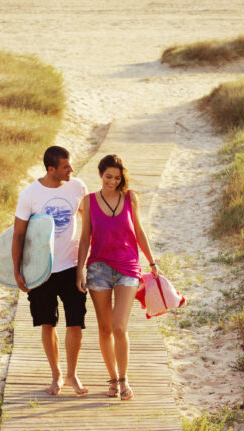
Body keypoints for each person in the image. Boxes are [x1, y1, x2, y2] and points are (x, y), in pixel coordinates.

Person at [76, 154, 158, 400]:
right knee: (104, 328)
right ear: (100, 174)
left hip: (127, 267)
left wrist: (152, 261)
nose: (112, 181)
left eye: (117, 178)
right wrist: (79, 270)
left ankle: (124, 379)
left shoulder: (131, 198)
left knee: (119, 326)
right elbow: (85, 238)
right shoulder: (89, 201)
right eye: (108, 176)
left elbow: (139, 231)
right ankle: (112, 379)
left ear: (122, 178)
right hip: (98, 269)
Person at [13, 145, 89, 396]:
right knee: (48, 323)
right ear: (51, 169)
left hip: (71, 267)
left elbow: (88, 223)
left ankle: (72, 374)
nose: (71, 170)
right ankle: (56, 375)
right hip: (41, 270)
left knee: (75, 322)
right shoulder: (30, 194)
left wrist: (85, 263)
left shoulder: (77, 187)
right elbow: (18, 234)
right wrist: (17, 271)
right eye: (66, 166)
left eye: (70, 165)